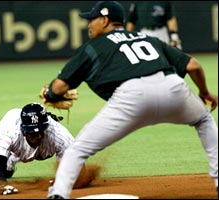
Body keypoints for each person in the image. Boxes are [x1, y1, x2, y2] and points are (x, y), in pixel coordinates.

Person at [41, 1, 218, 199]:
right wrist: (204, 92)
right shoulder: (148, 38)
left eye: (92, 19)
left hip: (130, 98)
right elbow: (193, 65)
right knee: (203, 120)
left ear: (105, 20)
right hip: (172, 87)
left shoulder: (93, 47)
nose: (88, 24)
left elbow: (59, 87)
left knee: (78, 149)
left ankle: (58, 195)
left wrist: (50, 95)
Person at [0, 102, 75, 195]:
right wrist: (2, 186)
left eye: (41, 130)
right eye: (33, 133)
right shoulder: (9, 131)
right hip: (13, 130)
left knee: (8, 168)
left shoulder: (59, 135)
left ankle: (10, 162)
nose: (38, 136)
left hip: (37, 147)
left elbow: (72, 163)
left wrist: (61, 179)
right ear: (23, 129)